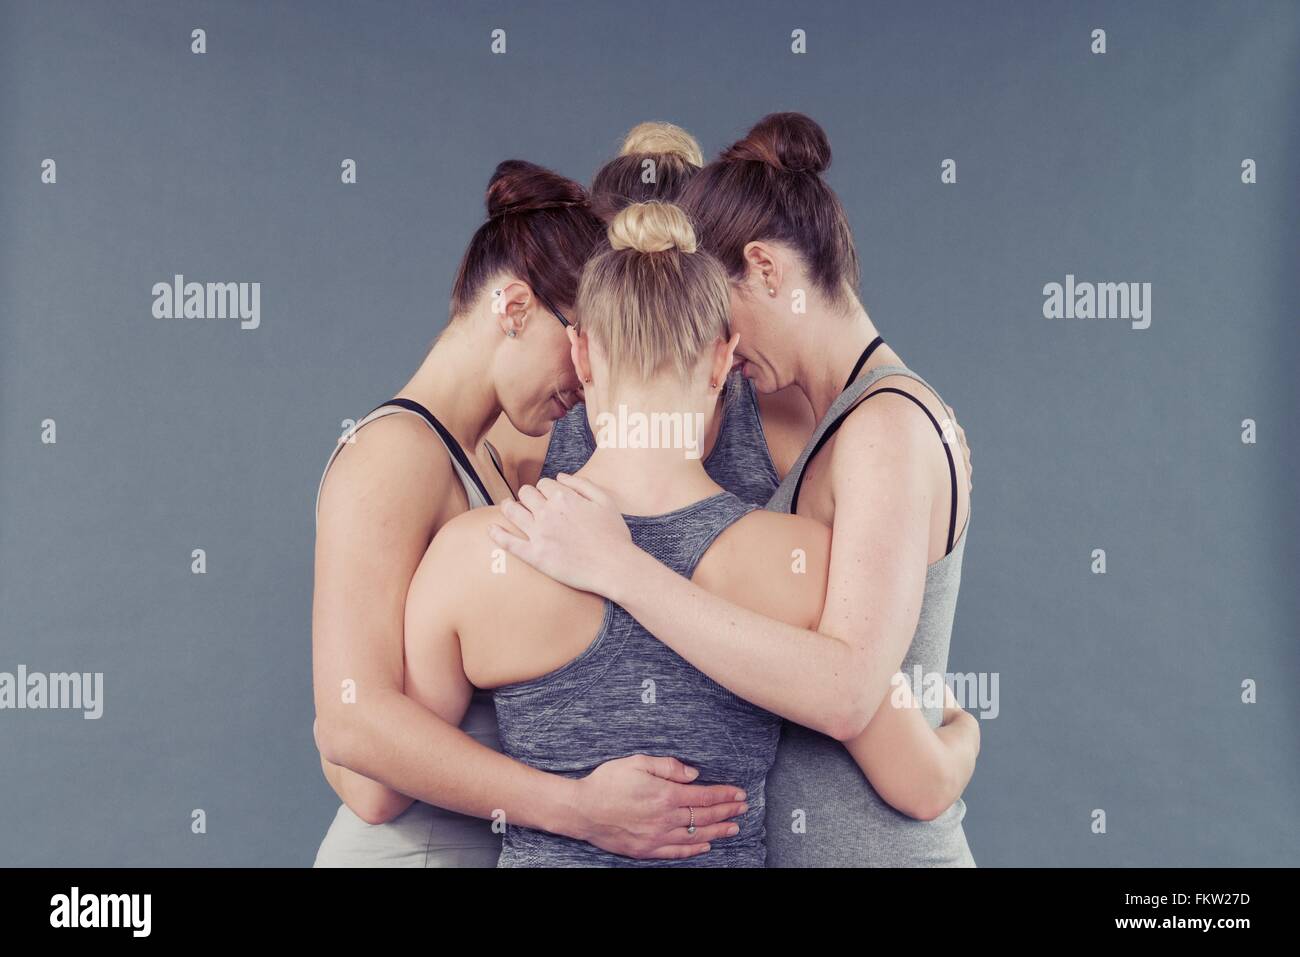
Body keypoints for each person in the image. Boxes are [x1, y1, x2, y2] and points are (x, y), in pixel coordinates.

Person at [405, 202, 980, 865]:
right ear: (721, 360)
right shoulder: (803, 562)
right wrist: (965, 730)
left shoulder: (471, 555)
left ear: (582, 353)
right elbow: (917, 776)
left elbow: (396, 764)